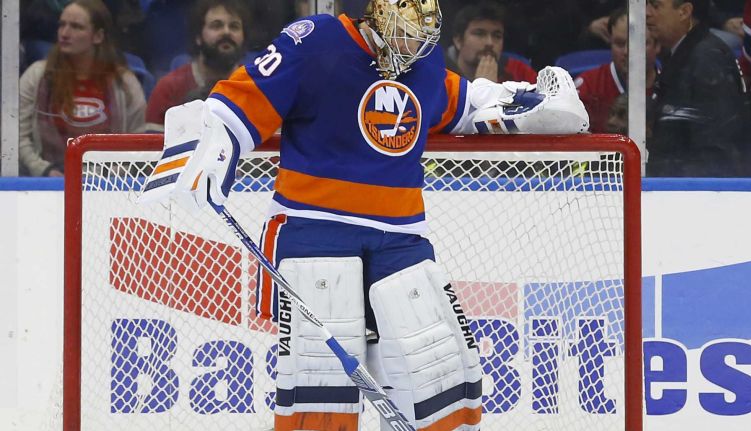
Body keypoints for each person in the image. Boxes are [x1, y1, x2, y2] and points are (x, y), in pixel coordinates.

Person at [139, 0, 588, 429]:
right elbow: (242, 95)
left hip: (400, 237)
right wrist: (217, 134)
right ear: (381, 16)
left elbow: (469, 104)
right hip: (316, 230)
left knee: (439, 375)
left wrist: (533, 107)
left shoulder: (423, 66)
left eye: (425, 36)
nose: (418, 46)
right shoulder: (315, 39)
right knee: (320, 389)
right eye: (409, 35)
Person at [18, 0, 146, 177]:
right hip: (48, 182)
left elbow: (137, 140)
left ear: (98, 36)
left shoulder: (124, 83)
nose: (64, 33)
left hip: (107, 185)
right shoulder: (36, 76)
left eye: (76, 27)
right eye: (62, 25)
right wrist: (44, 170)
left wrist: (110, 176)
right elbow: (18, 136)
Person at [646, 0, 751, 177]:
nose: (647, 13)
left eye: (656, 6)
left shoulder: (707, 59)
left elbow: (718, 149)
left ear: (684, 12)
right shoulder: (683, 53)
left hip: (709, 194)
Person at [145, 0, 249, 132]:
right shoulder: (168, 89)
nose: (226, 32)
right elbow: (152, 150)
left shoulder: (256, 86)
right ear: (198, 37)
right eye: (216, 26)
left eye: (234, 26)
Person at [575, 7, 660, 133]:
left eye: (637, 43)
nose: (627, 52)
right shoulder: (589, 85)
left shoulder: (673, 86)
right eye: (619, 44)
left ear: (657, 45)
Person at [444, 1, 537, 83]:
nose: (490, 43)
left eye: (497, 36)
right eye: (479, 34)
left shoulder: (519, 72)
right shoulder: (437, 72)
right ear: (458, 41)